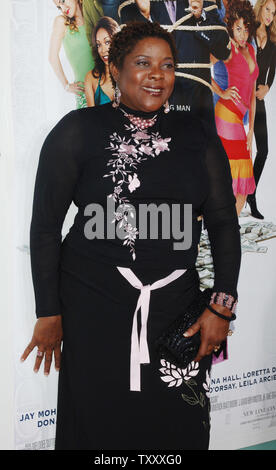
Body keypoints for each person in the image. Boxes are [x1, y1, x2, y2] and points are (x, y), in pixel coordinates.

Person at [21, 21, 241, 450]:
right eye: (142, 63)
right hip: (93, 312)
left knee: (177, 430)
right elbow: (45, 227)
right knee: (97, 427)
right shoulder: (77, 131)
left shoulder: (195, 134)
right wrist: (48, 311)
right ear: (115, 67)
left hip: (178, 316)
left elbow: (223, 224)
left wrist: (223, 308)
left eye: (167, 65)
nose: (157, 75)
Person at [212, 0, 259, 216]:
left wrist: (251, 131)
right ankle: (222, 227)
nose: (242, 33)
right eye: (238, 28)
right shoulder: (228, 48)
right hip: (225, 115)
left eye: (246, 28)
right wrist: (221, 92)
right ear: (230, 26)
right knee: (234, 175)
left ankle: (229, 227)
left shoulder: (250, 49)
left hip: (239, 121)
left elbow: (252, 96)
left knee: (241, 182)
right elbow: (203, 67)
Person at [247, 0, 276, 219]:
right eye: (268, 10)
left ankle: (251, 194)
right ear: (260, 8)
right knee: (237, 152)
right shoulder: (247, 32)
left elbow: (272, 73)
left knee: (263, 150)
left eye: (274, 13)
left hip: (259, 98)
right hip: (242, 98)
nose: (270, 16)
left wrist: (267, 88)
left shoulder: (274, 41)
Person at [49, 0, 95, 109]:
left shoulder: (93, 16)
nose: (63, 8)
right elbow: (52, 57)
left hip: (106, 87)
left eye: (63, 1)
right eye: (59, 7)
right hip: (85, 91)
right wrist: (66, 85)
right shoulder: (62, 22)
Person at [85, 16, 120, 106]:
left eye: (107, 42)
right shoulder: (90, 78)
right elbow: (90, 118)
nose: (102, 50)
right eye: (98, 45)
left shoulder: (130, 73)